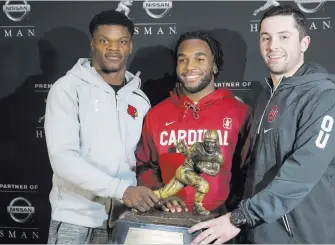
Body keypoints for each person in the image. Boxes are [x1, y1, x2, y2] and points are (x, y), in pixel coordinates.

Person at [189, 5, 335, 244]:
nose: (273, 45)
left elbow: (302, 172)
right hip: (262, 232)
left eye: (284, 37)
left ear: (304, 43)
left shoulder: (324, 97)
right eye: (266, 37)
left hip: (305, 237)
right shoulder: (267, 95)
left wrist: (240, 217)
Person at [44, 10, 159, 244]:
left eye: (122, 41)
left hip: (123, 219)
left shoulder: (139, 99)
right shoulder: (67, 88)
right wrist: (122, 191)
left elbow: (144, 160)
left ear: (130, 46)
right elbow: (63, 158)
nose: (113, 49)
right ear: (93, 44)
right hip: (76, 220)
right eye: (105, 40)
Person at [136, 30, 251, 215]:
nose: (189, 66)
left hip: (222, 226)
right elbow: (146, 166)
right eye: (182, 60)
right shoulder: (157, 114)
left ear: (214, 65)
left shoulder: (240, 112)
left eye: (199, 59)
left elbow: (248, 172)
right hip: (168, 223)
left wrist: (231, 212)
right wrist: (162, 199)